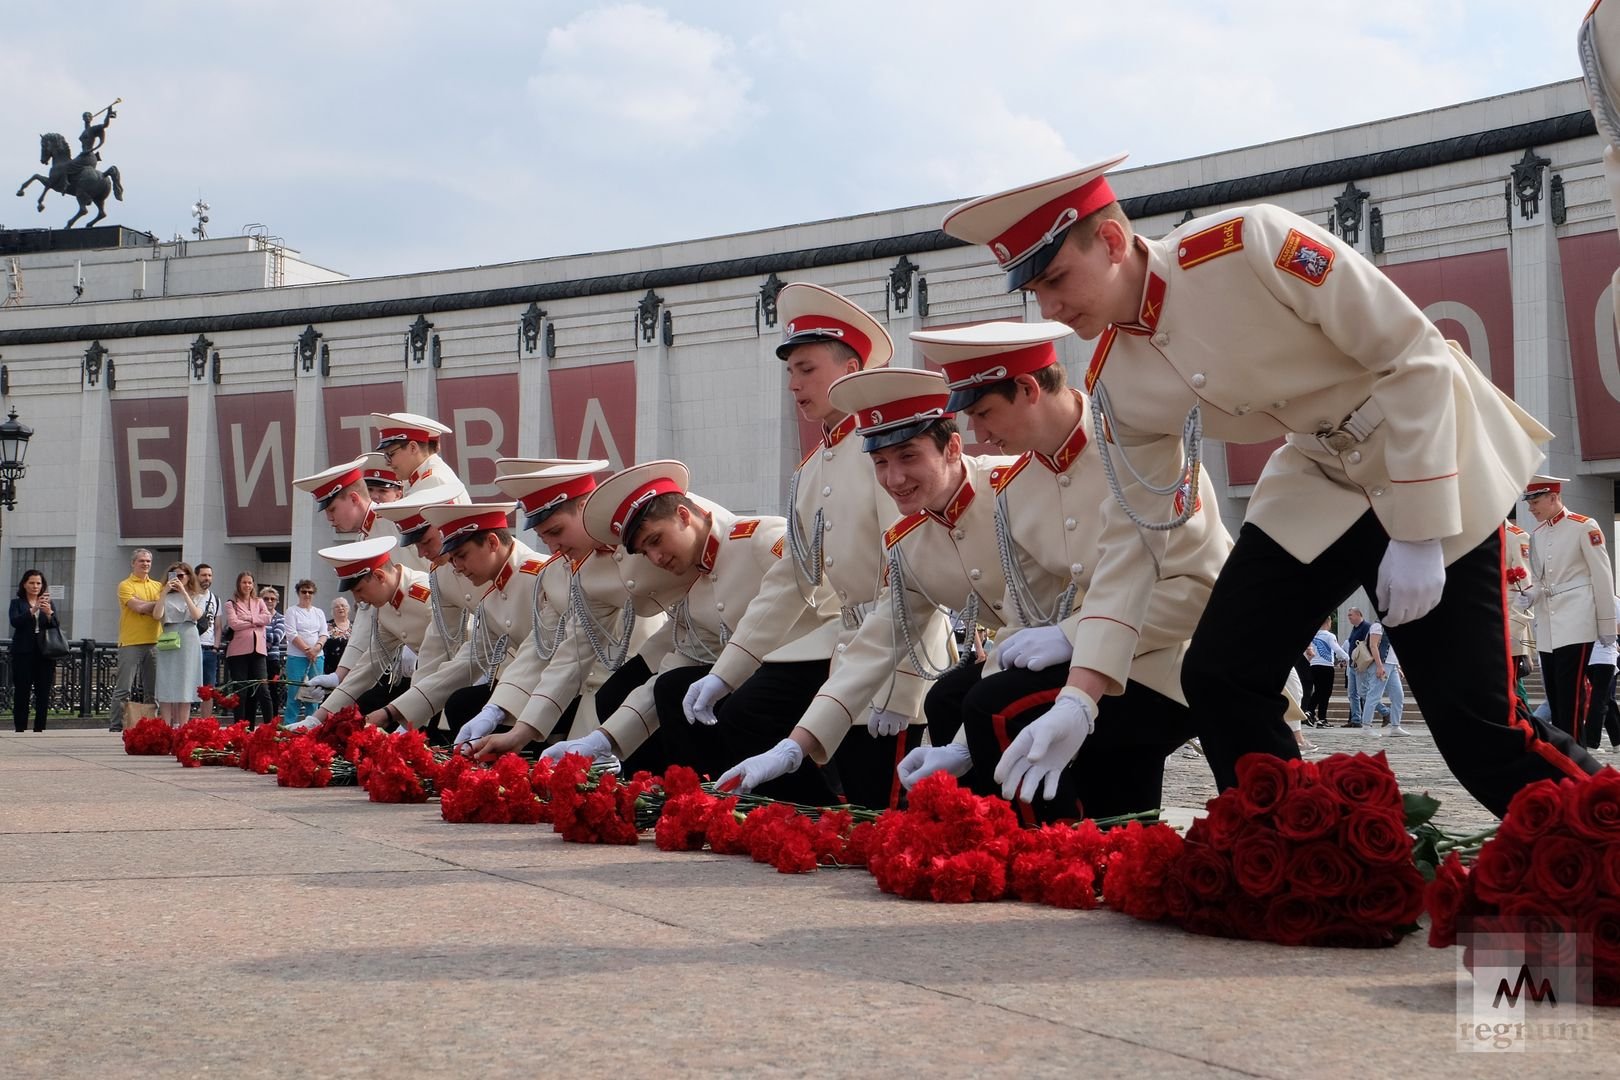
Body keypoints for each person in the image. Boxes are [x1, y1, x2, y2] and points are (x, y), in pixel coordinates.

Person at [940, 155, 1599, 817]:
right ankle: (1295, 855)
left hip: (1422, 451)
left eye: (1056, 280)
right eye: (1036, 293)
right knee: (1219, 675)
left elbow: (1414, 354)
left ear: (1111, 242)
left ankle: (1601, 842)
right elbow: (1137, 542)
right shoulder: (1119, 378)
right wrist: (1081, 697)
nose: (1049, 308)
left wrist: (1420, 528)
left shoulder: (1250, 245)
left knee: (1479, 729)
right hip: (1319, 479)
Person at [700, 284, 941, 809]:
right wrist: (727, 671)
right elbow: (791, 578)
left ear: (851, 370)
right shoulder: (812, 470)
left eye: (806, 369)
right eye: (790, 372)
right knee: (854, 810)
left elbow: (913, 574)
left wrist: (902, 686)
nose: (793, 384)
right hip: (851, 655)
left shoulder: (884, 454)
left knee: (883, 814)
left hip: (898, 657)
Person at [541, 461, 838, 783]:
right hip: (761, 680)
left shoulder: (758, 536)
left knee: (746, 708)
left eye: (656, 540)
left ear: (684, 515)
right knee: (674, 689)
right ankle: (711, 795)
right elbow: (671, 668)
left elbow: (827, 598)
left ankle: (802, 809)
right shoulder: (694, 591)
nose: (655, 558)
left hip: (821, 663)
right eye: (644, 552)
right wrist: (601, 739)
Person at [367, 503, 542, 742]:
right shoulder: (490, 592)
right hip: (523, 688)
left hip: (562, 691)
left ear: (492, 542)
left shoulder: (541, 575)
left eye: (461, 556)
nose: (457, 567)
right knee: (463, 704)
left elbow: (544, 653)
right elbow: (468, 658)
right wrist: (394, 712)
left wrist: (496, 709)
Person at [1520, 476, 1618, 742]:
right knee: (1554, 693)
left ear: (1553, 497)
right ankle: (1564, 754)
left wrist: (1607, 624)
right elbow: (1540, 581)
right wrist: (1529, 595)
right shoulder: (1537, 535)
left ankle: (1575, 756)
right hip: (1549, 624)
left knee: (1571, 695)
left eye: (1536, 502)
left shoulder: (1584, 526)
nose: (1531, 509)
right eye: (1529, 503)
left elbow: (1602, 576)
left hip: (1577, 618)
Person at [303, 538, 435, 726]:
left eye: (360, 590)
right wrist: (316, 719)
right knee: (365, 705)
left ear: (380, 577)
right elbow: (368, 666)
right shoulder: (386, 609)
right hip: (426, 692)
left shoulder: (423, 592)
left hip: (455, 688)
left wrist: (405, 720)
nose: (359, 600)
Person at [110, 549, 164, 731]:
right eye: (141, 561)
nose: (145, 564)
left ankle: (152, 726)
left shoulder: (157, 585)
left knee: (153, 690)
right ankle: (116, 726)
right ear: (133, 563)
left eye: (148, 561)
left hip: (155, 641)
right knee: (124, 688)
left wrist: (145, 605)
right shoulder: (125, 585)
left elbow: (158, 610)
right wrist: (154, 605)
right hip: (131, 642)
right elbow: (136, 607)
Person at [153, 563, 204, 728]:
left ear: (189, 577)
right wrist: (164, 592)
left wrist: (184, 592)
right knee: (166, 679)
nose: (177, 579)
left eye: (181, 576)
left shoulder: (198, 596)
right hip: (169, 636)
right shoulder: (165, 596)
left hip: (188, 636)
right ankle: (166, 726)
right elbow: (157, 615)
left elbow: (196, 615)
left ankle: (183, 726)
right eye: (173, 575)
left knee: (186, 681)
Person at [10, 570, 60, 732]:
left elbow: (55, 625)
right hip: (23, 652)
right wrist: (33, 610)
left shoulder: (49, 603)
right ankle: (20, 728)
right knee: (22, 692)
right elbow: (15, 622)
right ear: (24, 584)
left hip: (44, 653)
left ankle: (40, 728)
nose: (35, 586)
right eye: (31, 583)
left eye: (38, 583)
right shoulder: (17, 603)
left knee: (43, 692)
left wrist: (49, 613)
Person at [222, 573, 275, 729]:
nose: (247, 585)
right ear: (239, 584)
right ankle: (240, 727)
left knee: (262, 689)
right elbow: (233, 624)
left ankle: (270, 726)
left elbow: (267, 618)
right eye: (244, 582)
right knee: (241, 691)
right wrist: (255, 621)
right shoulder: (231, 603)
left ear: (253, 585)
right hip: (238, 651)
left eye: (250, 582)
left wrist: (248, 619)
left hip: (258, 650)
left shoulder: (259, 601)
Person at [369, 412, 460, 496]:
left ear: (413, 448)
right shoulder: (422, 478)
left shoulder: (432, 481)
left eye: (390, 454)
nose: (387, 463)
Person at [282, 580, 328, 726]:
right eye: (304, 591)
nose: (307, 594)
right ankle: (289, 727)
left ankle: (312, 727)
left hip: (317, 657)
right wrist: (307, 650)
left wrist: (316, 648)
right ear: (298, 593)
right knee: (294, 694)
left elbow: (324, 633)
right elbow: (291, 634)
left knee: (314, 695)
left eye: (310, 592)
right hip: (297, 657)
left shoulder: (319, 612)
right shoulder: (292, 611)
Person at [1360, 618, 1409, 738]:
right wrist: (1379, 665)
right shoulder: (1377, 626)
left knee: (1398, 695)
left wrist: (1397, 667)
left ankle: (1395, 726)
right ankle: (1366, 727)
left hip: (1392, 665)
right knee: (1374, 695)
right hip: (1382, 664)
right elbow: (1373, 645)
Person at [1304, 618, 1348, 729]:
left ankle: (1314, 714)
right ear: (1328, 623)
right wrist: (1347, 658)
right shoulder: (1329, 636)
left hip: (1314, 665)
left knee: (1318, 691)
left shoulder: (1313, 635)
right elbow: (1336, 649)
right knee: (1326, 693)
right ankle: (1317, 715)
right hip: (1326, 666)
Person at [261, 587, 288, 717]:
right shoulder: (257, 615)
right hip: (257, 657)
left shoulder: (281, 618)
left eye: (273, 599)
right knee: (257, 690)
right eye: (266, 598)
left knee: (273, 691)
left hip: (273, 659)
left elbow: (278, 636)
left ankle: (273, 721)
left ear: (277, 601)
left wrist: (260, 634)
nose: (269, 601)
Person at [194, 564, 220, 688]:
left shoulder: (215, 598)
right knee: (190, 686)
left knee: (208, 689)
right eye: (203, 575)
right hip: (193, 646)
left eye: (209, 575)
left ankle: (206, 709)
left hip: (210, 648)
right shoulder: (190, 596)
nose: (207, 578)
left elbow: (218, 625)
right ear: (196, 576)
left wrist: (215, 647)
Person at [324, 597, 353, 675]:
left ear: (348, 609)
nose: (340, 608)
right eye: (337, 606)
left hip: (352, 667)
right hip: (331, 667)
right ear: (332, 610)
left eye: (343, 605)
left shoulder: (356, 626)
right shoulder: (327, 626)